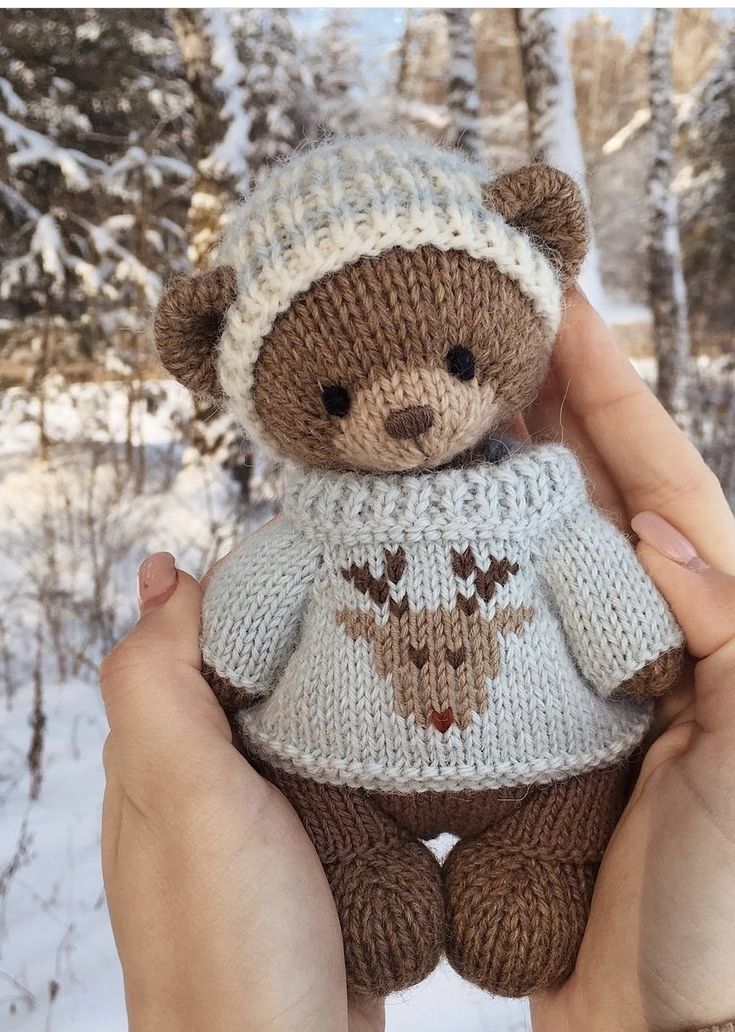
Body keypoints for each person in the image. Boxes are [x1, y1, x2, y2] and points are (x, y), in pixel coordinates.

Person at [100, 289, 735, 1032]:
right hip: (333, 781)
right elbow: (242, 639)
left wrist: (638, 655)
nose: (406, 410)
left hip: (556, 770)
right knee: (366, 919)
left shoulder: (548, 511)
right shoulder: (311, 531)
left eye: (457, 362)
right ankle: (354, 868)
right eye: (337, 396)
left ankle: (537, 864)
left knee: (529, 906)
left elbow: (623, 632)